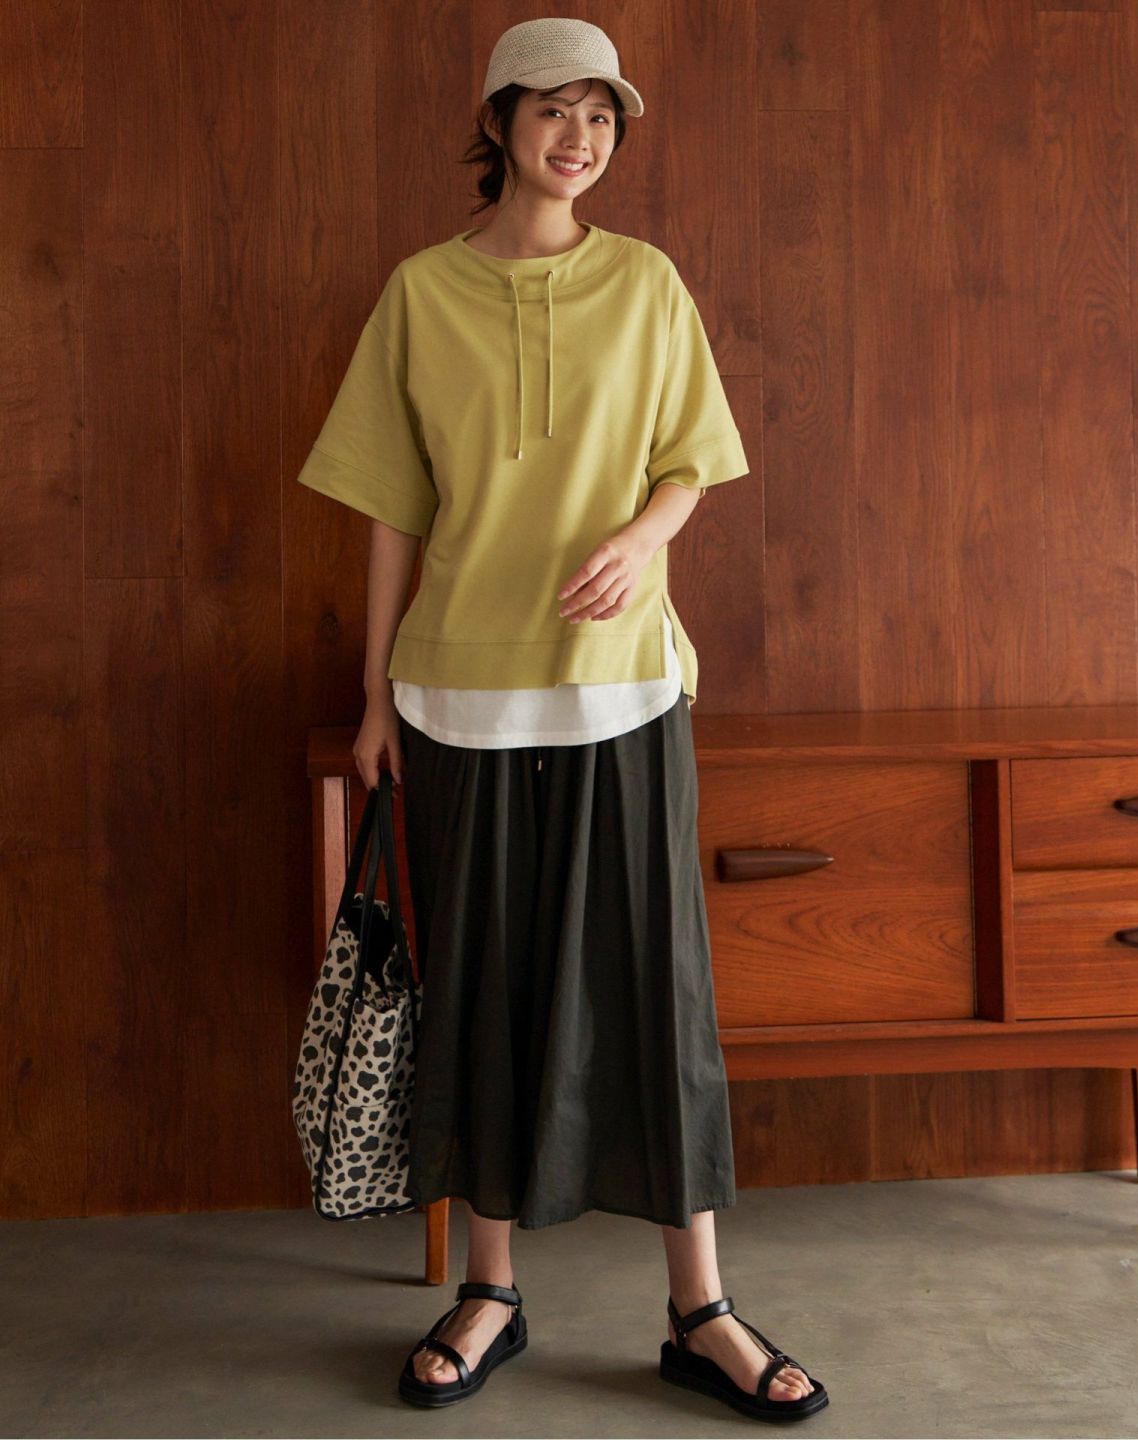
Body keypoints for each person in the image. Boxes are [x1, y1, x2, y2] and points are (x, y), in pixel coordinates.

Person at [295, 14, 829, 1425]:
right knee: (485, 988)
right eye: (553, 109)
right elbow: (391, 511)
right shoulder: (419, 294)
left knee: (660, 990)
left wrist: (647, 540)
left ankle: (700, 1309)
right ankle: (490, 1290)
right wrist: (373, 695)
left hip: (625, 688)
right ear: (498, 124)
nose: (580, 137)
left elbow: (690, 462)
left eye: (601, 114)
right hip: (456, 696)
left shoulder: (647, 283)